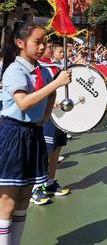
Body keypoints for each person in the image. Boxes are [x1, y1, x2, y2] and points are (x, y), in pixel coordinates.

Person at [0, 22, 71, 245]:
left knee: (22, 202)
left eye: (45, 42)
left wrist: (52, 100)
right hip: (13, 135)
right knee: (7, 202)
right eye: (37, 42)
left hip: (33, 134)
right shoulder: (14, 70)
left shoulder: (41, 70)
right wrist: (54, 85)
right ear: (20, 43)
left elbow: (44, 108)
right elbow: (23, 102)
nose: (42, 47)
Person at [34, 42, 70, 205]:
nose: (44, 48)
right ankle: (36, 187)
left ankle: (50, 181)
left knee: (56, 149)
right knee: (45, 152)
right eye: (58, 50)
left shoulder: (58, 67)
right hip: (47, 115)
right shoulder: (38, 68)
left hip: (61, 116)